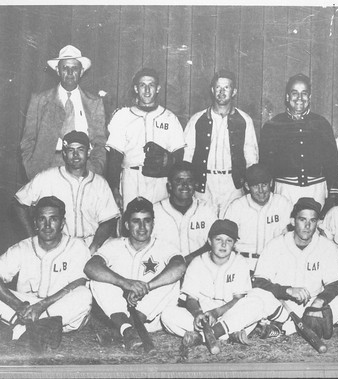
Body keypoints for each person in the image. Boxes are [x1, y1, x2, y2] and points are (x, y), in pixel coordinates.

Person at [204, 198, 338, 340]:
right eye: (302, 219)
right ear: (293, 221)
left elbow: (335, 283)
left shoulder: (326, 246)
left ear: (317, 223)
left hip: (312, 305)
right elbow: (259, 282)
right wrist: (287, 290)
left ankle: (284, 328)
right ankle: (213, 332)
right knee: (256, 295)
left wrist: (319, 302)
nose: (307, 225)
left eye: (312, 220)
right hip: (281, 304)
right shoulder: (276, 244)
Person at [0, 196, 92, 350]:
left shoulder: (76, 246)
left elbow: (79, 282)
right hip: (25, 309)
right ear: (35, 223)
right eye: (42, 219)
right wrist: (18, 305)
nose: (47, 225)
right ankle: (28, 330)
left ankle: (24, 329)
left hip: (59, 311)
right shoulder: (23, 247)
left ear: (62, 223)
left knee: (84, 294)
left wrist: (41, 306)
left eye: (53, 219)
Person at [84, 197, 187, 350]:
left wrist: (146, 287)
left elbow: (179, 266)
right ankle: (127, 329)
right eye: (136, 221)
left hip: (151, 317)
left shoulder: (165, 246)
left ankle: (125, 329)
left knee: (171, 281)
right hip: (119, 312)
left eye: (147, 221)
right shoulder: (114, 245)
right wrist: (126, 283)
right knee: (98, 280)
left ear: (153, 224)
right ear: (126, 224)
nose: (142, 227)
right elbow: (91, 266)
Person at [13, 131, 120, 255]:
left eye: (80, 149)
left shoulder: (100, 183)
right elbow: (18, 204)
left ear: (88, 152)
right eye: (70, 150)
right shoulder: (47, 177)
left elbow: (109, 220)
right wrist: (33, 239)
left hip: (92, 244)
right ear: (64, 153)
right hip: (59, 246)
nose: (75, 154)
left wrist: (95, 245)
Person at [161, 219, 252, 352]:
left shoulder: (240, 262)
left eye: (229, 240)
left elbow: (238, 299)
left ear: (234, 244)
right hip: (205, 316)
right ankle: (229, 335)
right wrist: (198, 314)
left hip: (229, 313)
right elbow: (191, 298)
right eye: (218, 239)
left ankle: (201, 338)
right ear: (209, 241)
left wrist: (217, 312)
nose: (223, 244)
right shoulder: (197, 263)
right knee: (167, 314)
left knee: (254, 305)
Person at [21, 45, 107, 180]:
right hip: (47, 169)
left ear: (82, 71)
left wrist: (96, 169)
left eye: (75, 68)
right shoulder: (40, 100)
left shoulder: (94, 103)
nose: (70, 72)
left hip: (84, 169)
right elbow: (28, 140)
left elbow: (100, 142)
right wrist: (32, 169)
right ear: (57, 70)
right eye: (65, 68)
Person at [105, 68, 185, 210]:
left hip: (161, 180)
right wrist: (115, 189)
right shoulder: (123, 116)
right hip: (131, 178)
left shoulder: (170, 117)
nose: (147, 90)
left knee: (160, 223)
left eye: (151, 85)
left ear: (158, 88)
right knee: (131, 224)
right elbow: (114, 157)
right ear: (136, 88)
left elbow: (178, 156)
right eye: (142, 85)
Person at [259, 73, 338, 211]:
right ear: (287, 97)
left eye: (304, 94)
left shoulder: (321, 124)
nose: (299, 98)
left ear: (309, 97)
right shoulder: (273, 125)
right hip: (284, 191)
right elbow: (266, 165)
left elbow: (332, 163)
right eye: (295, 93)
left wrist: (333, 194)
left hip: (316, 190)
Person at [183, 69, 259, 217]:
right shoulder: (197, 119)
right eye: (218, 87)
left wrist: (249, 182)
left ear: (234, 91)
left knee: (231, 225)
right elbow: (187, 155)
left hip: (233, 184)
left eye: (227, 87)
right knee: (203, 226)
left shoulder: (244, 120)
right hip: (204, 184)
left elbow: (251, 157)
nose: (222, 92)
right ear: (212, 90)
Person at [223, 163, 292, 273]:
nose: (261, 190)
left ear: (271, 183)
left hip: (275, 263)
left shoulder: (282, 204)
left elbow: (292, 237)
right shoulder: (237, 206)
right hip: (244, 263)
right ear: (247, 186)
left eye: (264, 184)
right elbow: (225, 240)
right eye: (255, 186)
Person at [152, 161, 216, 258]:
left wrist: (188, 260)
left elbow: (215, 241)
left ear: (195, 184)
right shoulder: (155, 211)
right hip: (165, 267)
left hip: (200, 267)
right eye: (179, 181)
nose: (185, 185)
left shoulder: (206, 209)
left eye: (189, 181)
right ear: (169, 185)